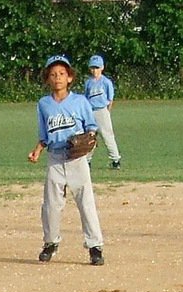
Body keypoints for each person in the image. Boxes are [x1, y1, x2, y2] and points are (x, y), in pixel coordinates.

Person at [27, 54, 105, 265]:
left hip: (77, 159)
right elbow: (44, 135)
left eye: (62, 73)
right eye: (53, 74)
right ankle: (50, 242)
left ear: (70, 77)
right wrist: (37, 150)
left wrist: (88, 142)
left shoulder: (80, 101)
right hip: (55, 158)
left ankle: (95, 246)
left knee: (86, 202)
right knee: (51, 205)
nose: (58, 77)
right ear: (47, 79)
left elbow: (91, 127)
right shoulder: (44, 104)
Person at [84, 54, 122, 169]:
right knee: (89, 137)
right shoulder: (88, 82)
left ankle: (115, 160)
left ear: (102, 68)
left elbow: (110, 99)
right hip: (90, 112)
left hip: (101, 111)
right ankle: (86, 161)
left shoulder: (106, 82)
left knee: (107, 136)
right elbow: (86, 98)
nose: (95, 70)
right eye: (93, 68)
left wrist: (107, 112)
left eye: (97, 67)